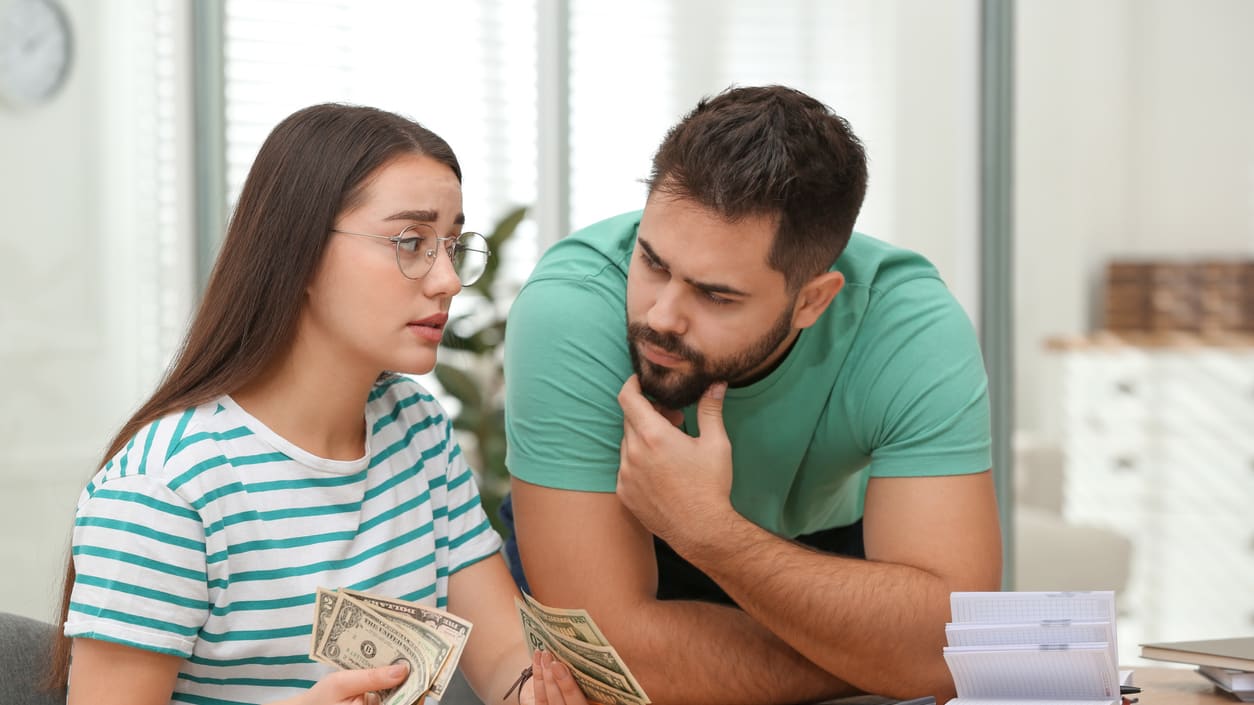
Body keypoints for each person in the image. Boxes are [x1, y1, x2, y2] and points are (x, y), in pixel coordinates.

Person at [46, 104, 587, 705]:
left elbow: (507, 656)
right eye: (411, 242)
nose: (449, 281)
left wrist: (535, 692)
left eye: (452, 245)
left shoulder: (418, 431)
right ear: (298, 252)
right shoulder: (165, 489)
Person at [501, 85, 1003, 704]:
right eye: (652, 262)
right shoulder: (571, 306)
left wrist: (708, 530)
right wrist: (886, 659)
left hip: (820, 555)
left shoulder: (907, 325)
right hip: (618, 543)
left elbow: (949, 640)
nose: (661, 316)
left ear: (812, 301)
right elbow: (610, 655)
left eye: (715, 295)